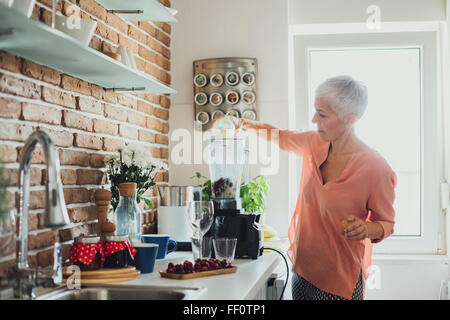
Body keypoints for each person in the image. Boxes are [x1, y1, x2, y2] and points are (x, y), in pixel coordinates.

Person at [210, 75, 396, 300]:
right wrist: (242, 123)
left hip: (339, 281)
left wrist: (366, 229)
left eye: (323, 115)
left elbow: (386, 223)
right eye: (316, 111)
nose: (314, 119)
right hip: (303, 271)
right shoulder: (314, 143)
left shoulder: (375, 167)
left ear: (350, 119)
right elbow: (279, 137)